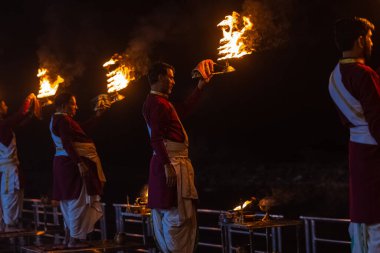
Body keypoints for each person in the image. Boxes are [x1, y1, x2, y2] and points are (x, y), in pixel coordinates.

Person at [142, 59, 214, 253]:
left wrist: (200, 87)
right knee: (177, 216)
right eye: (171, 77)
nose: (174, 82)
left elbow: (184, 109)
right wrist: (167, 165)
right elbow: (156, 138)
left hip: (169, 162)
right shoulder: (157, 104)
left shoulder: (160, 102)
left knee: (174, 213)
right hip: (171, 163)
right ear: (159, 77)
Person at [329, 17, 380, 253]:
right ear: (360, 39)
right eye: (369, 37)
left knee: (363, 211)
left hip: (356, 150)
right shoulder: (364, 74)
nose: (371, 42)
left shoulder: (334, 77)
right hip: (373, 152)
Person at [50, 92, 106, 247]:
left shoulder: (60, 119)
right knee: (77, 201)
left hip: (64, 165)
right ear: (63, 105)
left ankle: (69, 237)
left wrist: (98, 115)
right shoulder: (62, 120)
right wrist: (80, 163)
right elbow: (67, 143)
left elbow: (81, 130)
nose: (76, 106)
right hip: (71, 166)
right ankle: (74, 240)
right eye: (73, 103)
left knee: (69, 202)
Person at [0, 93, 40, 231]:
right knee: (11, 215)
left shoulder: (4, 127)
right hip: (8, 174)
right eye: (4, 105)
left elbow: (20, 123)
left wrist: (31, 113)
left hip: (4, 172)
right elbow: (20, 114)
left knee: (4, 217)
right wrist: (29, 98)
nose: (7, 106)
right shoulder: (3, 125)